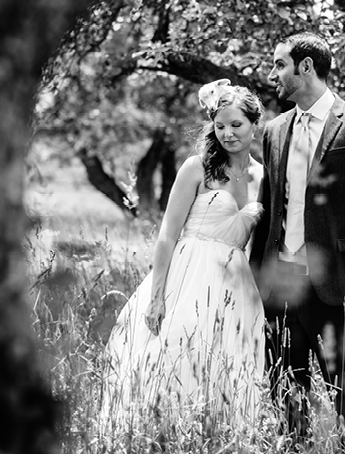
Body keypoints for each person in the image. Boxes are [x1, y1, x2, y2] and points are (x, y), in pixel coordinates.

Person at [99, 79, 267, 435]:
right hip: (188, 272)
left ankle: (220, 434)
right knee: (173, 351)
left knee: (228, 361)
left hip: (235, 284)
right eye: (220, 126)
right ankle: (158, 432)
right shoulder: (197, 168)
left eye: (236, 125)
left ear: (255, 123)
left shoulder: (263, 176)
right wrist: (157, 295)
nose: (228, 134)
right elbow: (167, 235)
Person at [250, 31, 345, 443]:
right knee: (287, 402)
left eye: (280, 64)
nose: (273, 73)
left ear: (306, 67)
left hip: (336, 289)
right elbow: (271, 208)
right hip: (281, 288)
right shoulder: (275, 130)